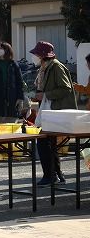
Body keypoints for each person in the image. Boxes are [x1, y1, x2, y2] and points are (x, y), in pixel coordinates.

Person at [30, 41, 77, 186]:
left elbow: (66, 88)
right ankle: (57, 175)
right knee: (48, 142)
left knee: (43, 142)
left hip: (58, 111)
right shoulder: (46, 68)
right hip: (51, 110)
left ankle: (50, 175)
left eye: (37, 54)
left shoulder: (56, 67)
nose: (34, 56)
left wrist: (45, 95)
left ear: (43, 56)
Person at [0, 42, 24, 122]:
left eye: (1, 48)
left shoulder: (13, 65)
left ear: (7, 50)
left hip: (12, 101)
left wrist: (20, 98)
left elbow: (19, 82)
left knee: (11, 128)